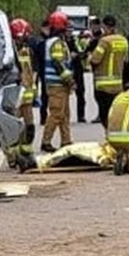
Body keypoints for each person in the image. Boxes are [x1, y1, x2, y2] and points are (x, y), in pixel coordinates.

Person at [40, 11, 75, 152]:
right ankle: (46, 141)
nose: (69, 29)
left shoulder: (55, 42)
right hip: (57, 84)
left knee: (65, 114)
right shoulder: (57, 43)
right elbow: (58, 63)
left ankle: (66, 141)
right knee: (56, 114)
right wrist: (69, 80)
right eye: (66, 26)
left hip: (59, 84)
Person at [89, 15, 129, 131]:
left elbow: (95, 59)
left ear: (105, 26)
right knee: (115, 113)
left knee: (104, 115)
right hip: (118, 84)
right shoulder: (123, 40)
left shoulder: (104, 41)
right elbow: (126, 60)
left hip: (103, 85)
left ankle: (109, 135)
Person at [10, 19, 37, 160]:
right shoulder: (9, 53)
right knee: (14, 126)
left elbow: (31, 72)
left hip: (26, 95)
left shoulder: (27, 51)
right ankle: (13, 156)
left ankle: (26, 150)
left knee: (29, 126)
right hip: (14, 96)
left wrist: (34, 89)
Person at [30, 19, 50, 125]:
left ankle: (46, 117)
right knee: (43, 95)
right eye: (46, 28)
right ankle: (43, 117)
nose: (48, 30)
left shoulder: (48, 40)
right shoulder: (38, 41)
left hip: (45, 69)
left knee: (47, 95)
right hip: (40, 69)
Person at [71, 29, 92, 124]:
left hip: (77, 69)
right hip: (68, 69)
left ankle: (81, 116)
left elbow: (81, 53)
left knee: (81, 93)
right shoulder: (63, 41)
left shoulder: (74, 41)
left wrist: (83, 55)